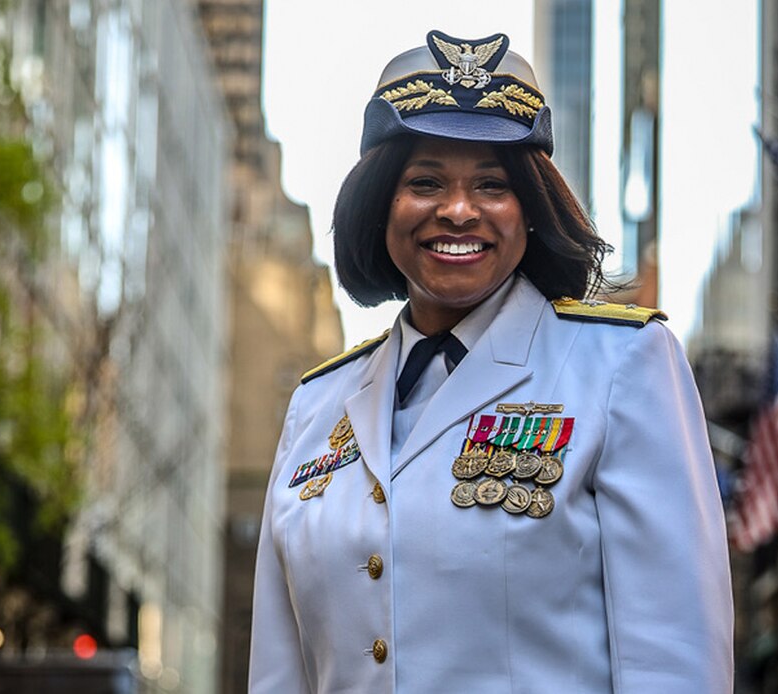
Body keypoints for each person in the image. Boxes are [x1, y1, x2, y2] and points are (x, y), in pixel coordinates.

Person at [250, 30, 733, 693]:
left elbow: (673, 668)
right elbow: (279, 674)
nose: (457, 210)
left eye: (492, 185)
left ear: (529, 209)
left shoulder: (624, 365)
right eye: (424, 182)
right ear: (380, 203)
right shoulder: (314, 406)